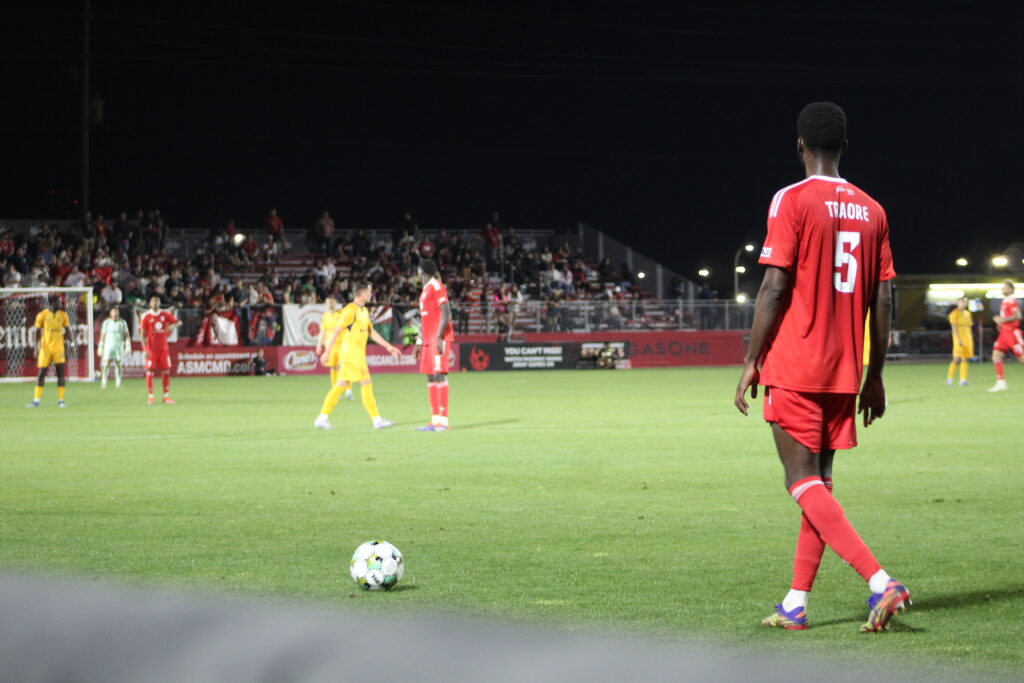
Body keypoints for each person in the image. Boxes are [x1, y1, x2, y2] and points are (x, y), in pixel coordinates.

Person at [734, 102, 909, 633]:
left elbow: (774, 286)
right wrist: (874, 375)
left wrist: (751, 360)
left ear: (800, 145)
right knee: (819, 485)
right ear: (845, 146)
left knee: (800, 481)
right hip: (843, 370)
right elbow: (884, 299)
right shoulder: (873, 209)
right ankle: (795, 604)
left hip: (796, 362)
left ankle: (881, 581)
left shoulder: (791, 198)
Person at [314, 283, 401, 430]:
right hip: (351, 354)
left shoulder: (364, 311)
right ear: (362, 293)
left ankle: (321, 418)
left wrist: (388, 346)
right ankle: (377, 420)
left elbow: (371, 332)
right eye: (369, 292)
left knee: (340, 385)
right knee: (366, 382)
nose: (371, 294)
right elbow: (336, 331)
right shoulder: (350, 310)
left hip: (355, 354)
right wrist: (327, 352)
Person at [415, 259, 454, 431]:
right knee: (430, 376)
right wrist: (419, 341)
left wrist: (439, 337)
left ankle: (443, 422)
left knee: (439, 375)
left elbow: (446, 311)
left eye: (418, 271)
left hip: (438, 337)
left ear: (424, 271)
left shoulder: (436, 286)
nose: (417, 275)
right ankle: (434, 420)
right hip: (428, 339)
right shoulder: (425, 290)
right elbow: (424, 319)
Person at [26, 296, 72, 408]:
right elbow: (37, 332)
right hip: (45, 348)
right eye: (58, 302)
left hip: (59, 348)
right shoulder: (42, 315)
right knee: (41, 373)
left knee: (60, 373)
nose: (61, 304)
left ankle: (61, 401)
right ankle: (36, 401)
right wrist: (36, 348)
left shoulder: (63, 315)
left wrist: (71, 345)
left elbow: (68, 330)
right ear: (52, 303)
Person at [140, 295, 182, 404]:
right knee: (150, 371)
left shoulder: (165, 314)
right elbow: (142, 334)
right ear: (150, 304)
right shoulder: (146, 316)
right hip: (151, 349)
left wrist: (172, 326)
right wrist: (144, 349)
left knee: (166, 371)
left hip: (163, 349)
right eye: (153, 302)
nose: (155, 303)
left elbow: (179, 322)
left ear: (159, 303)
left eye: (157, 302)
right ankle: (151, 397)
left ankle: (166, 397)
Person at [987, 279, 1022, 392]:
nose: (1003, 289)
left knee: (1022, 358)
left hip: (1012, 333)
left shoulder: (1011, 300)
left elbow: (1018, 315)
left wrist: (1002, 320)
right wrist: (1000, 323)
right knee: (996, 355)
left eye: (1005, 287)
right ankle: (1001, 382)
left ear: (1010, 289)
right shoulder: (1004, 301)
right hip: (1004, 333)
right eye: (1003, 287)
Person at [315, 296, 352, 401]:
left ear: (336, 303)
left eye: (331, 302)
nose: (329, 304)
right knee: (333, 367)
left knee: (344, 366)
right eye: (328, 302)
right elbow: (323, 331)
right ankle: (336, 391)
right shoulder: (325, 316)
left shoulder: (341, 313)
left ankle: (348, 390)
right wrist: (319, 345)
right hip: (330, 346)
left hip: (342, 344)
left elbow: (348, 329)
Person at [97, 307, 130, 389]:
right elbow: (103, 335)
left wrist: (128, 345)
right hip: (108, 346)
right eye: (113, 312)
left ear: (118, 313)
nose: (115, 313)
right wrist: (100, 346)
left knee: (118, 365)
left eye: (116, 312)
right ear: (110, 313)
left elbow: (126, 335)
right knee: (106, 364)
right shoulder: (106, 323)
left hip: (119, 346)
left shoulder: (123, 322)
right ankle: (104, 383)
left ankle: (118, 384)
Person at [946, 297, 973, 386]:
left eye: (964, 302)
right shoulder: (954, 314)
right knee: (956, 359)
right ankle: (949, 378)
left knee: (965, 358)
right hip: (959, 339)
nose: (963, 304)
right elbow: (954, 328)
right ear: (957, 303)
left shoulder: (967, 314)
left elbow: (969, 326)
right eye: (961, 302)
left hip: (967, 339)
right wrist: (958, 339)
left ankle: (963, 380)